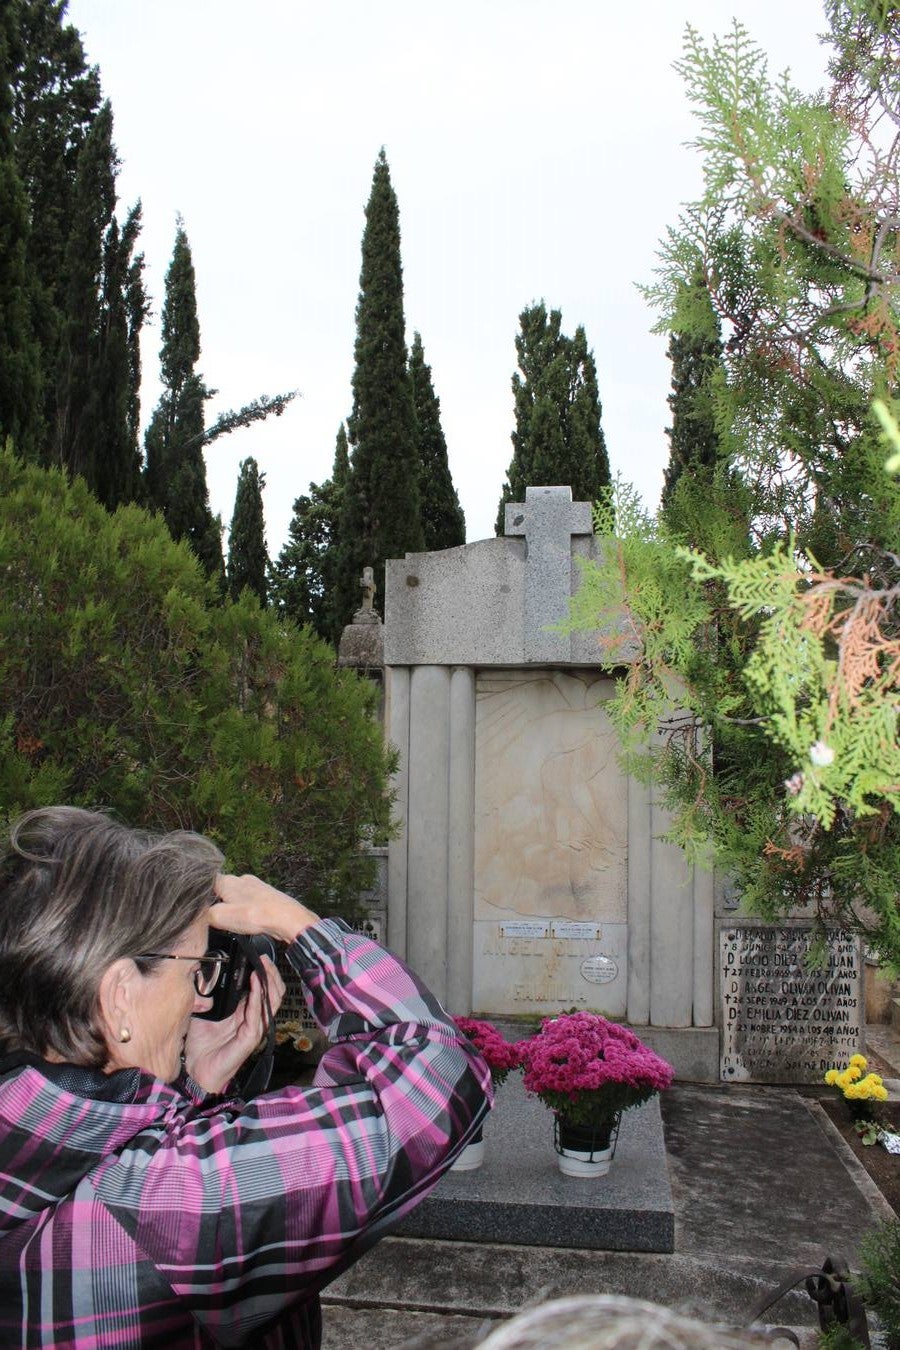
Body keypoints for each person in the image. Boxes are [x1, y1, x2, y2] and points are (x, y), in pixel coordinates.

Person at [0, 806, 491, 1347]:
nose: (198, 999)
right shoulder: (159, 1208)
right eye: (195, 970)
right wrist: (301, 928)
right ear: (119, 997)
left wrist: (195, 1090)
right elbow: (440, 1076)